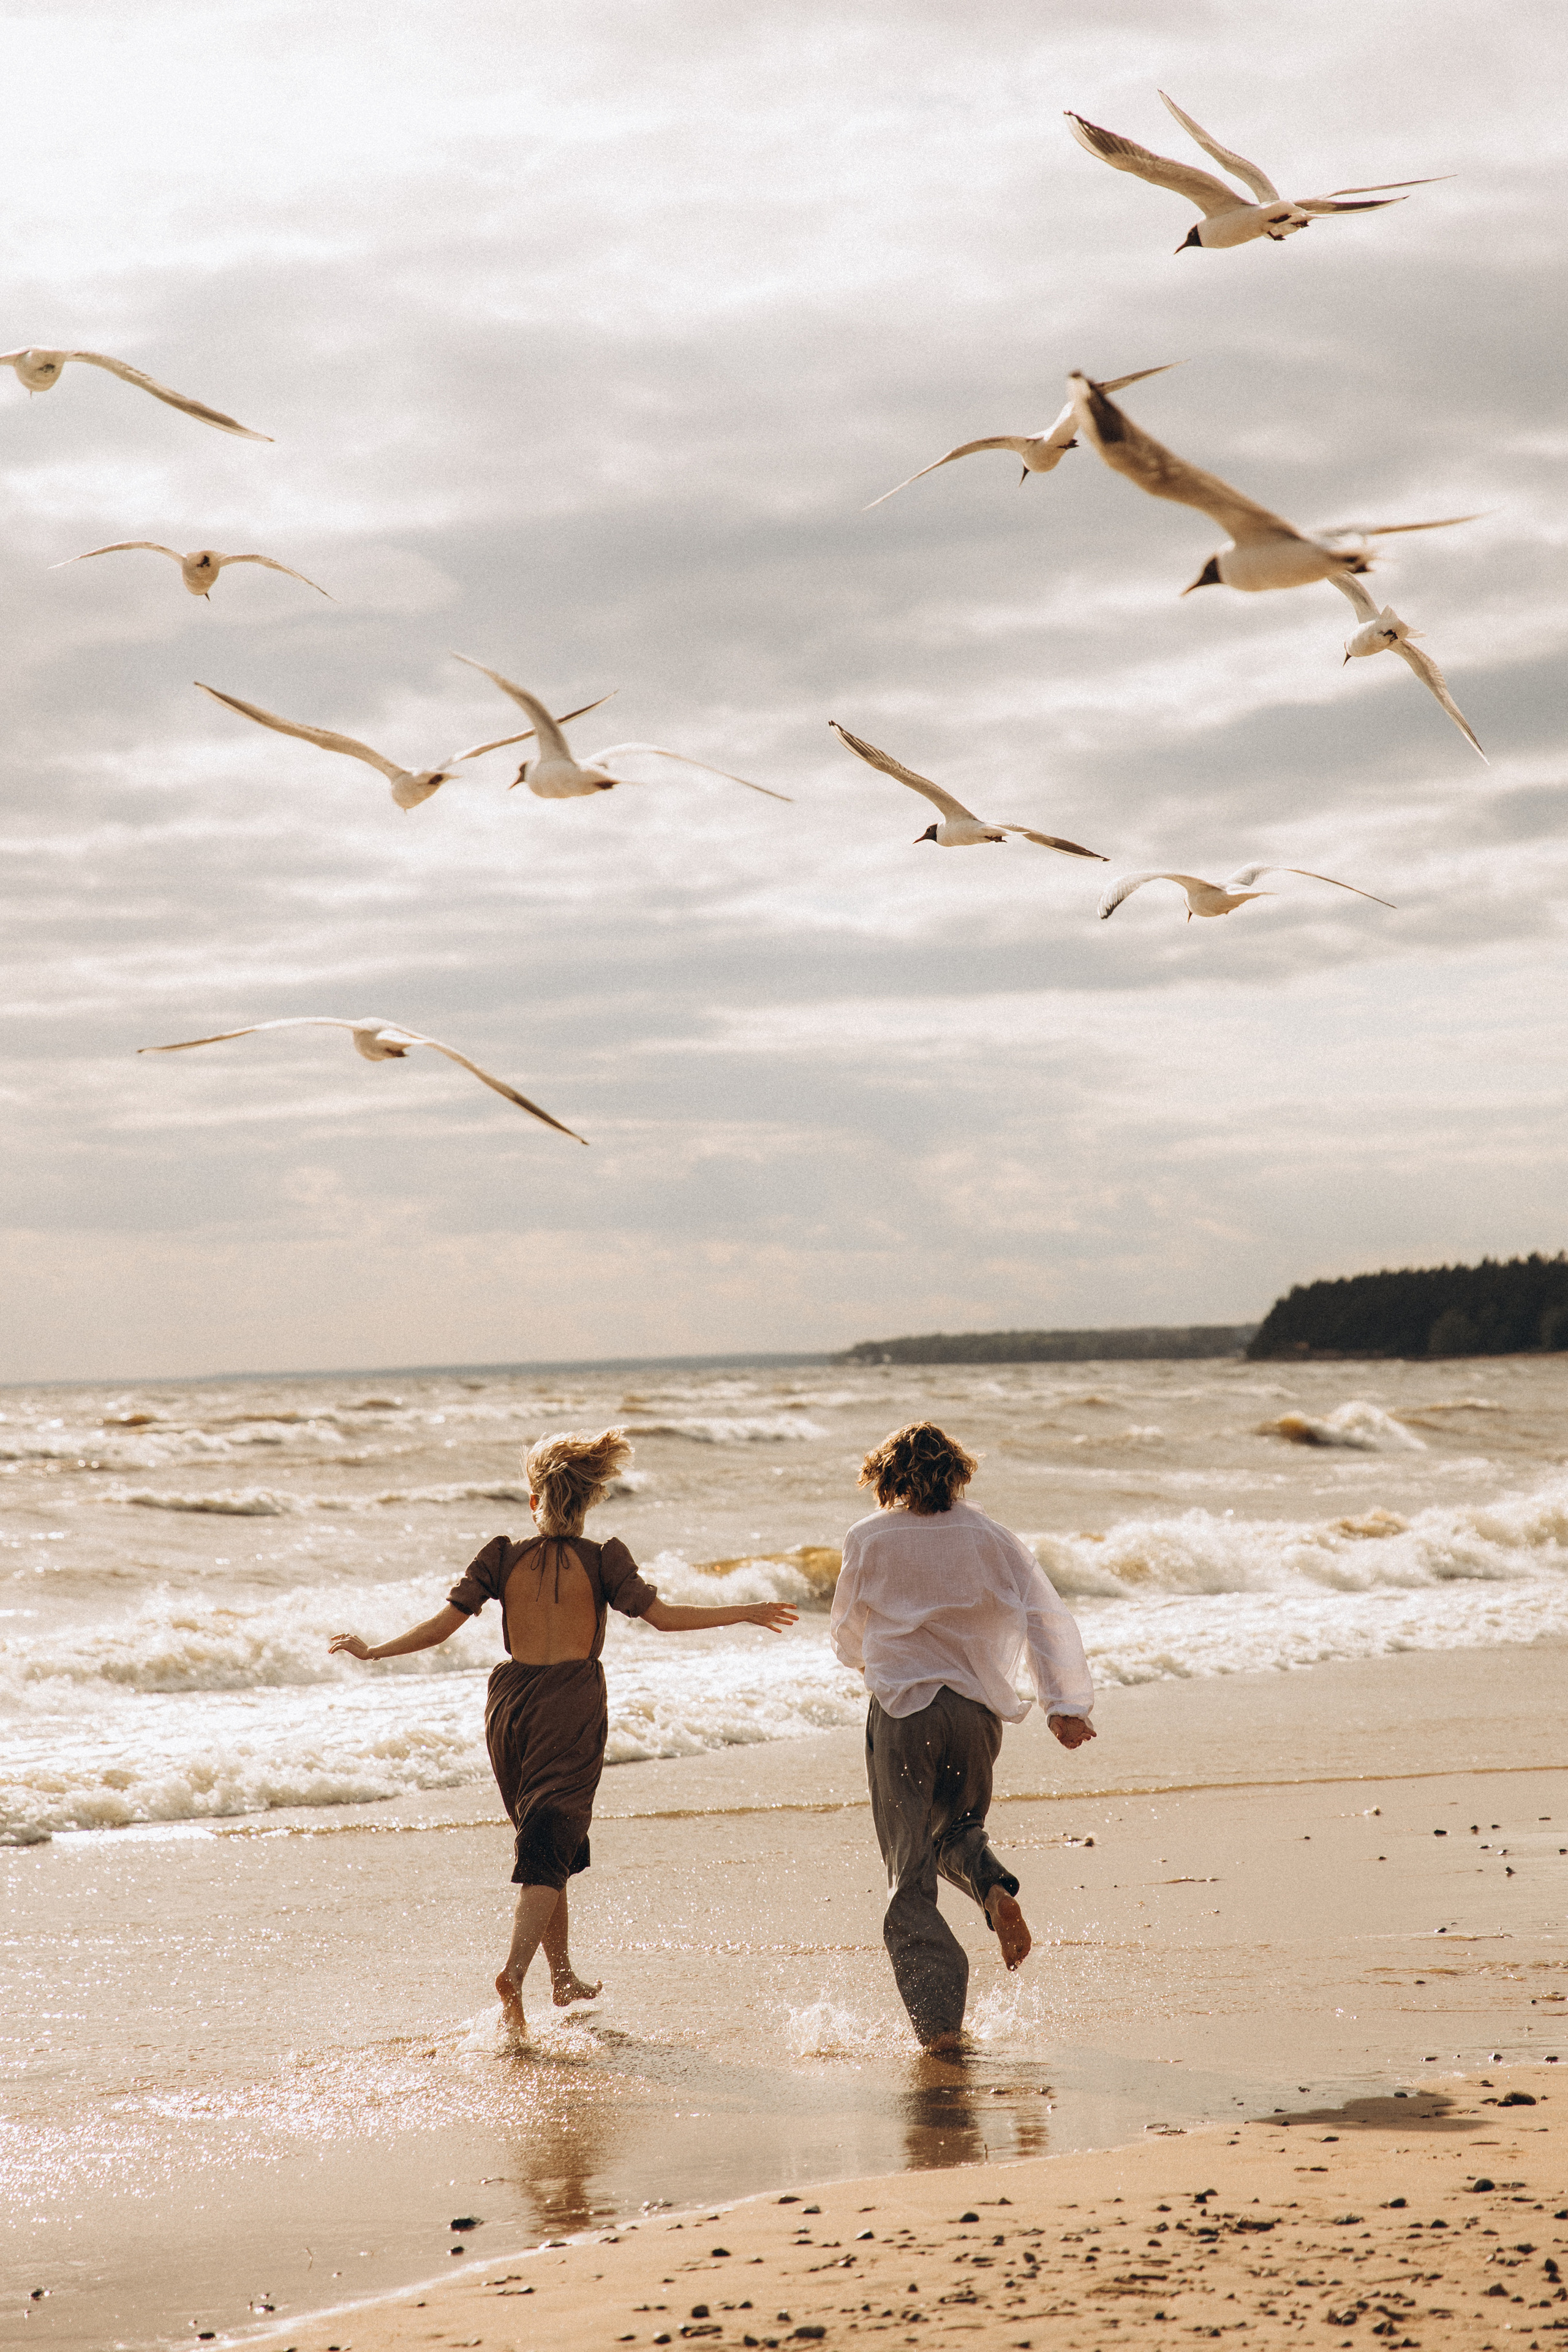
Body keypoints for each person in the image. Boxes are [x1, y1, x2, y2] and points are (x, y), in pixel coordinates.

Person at [329, 1428, 797, 2034]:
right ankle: (515, 1974)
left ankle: (561, 1976)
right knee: (551, 1840)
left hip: (510, 1707)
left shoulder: (500, 1554)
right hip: (571, 1705)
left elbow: (441, 1626)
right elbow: (664, 1618)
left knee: (545, 1840)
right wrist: (746, 1610)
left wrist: (374, 1652)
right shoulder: (605, 1559)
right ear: (590, 1503)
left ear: (534, 1502)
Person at [829, 1419, 1095, 2050]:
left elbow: (844, 1631)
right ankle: (996, 1891)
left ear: (885, 1476)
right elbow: (1044, 1616)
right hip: (975, 1714)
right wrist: (1063, 1704)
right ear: (958, 1473)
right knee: (957, 1831)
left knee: (908, 1868)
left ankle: (940, 2026)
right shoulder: (991, 1537)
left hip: (902, 1712)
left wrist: (868, 1661)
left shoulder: (868, 1537)